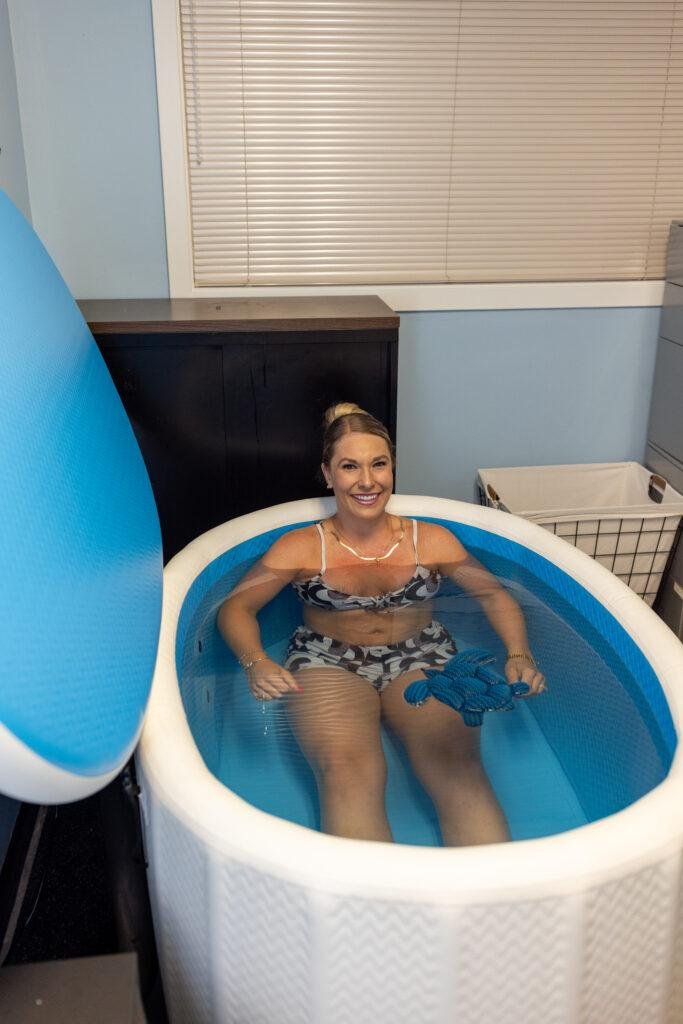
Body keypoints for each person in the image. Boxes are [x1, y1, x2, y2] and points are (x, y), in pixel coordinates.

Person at [218, 402, 545, 846]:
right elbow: (236, 607)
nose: (367, 481)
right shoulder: (299, 548)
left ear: (392, 468)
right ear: (328, 474)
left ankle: (489, 905)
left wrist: (519, 654)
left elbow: (492, 593)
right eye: (350, 466)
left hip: (422, 655)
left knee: (457, 768)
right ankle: (371, 910)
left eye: (379, 464)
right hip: (325, 660)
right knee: (348, 772)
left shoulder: (430, 541)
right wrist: (255, 661)